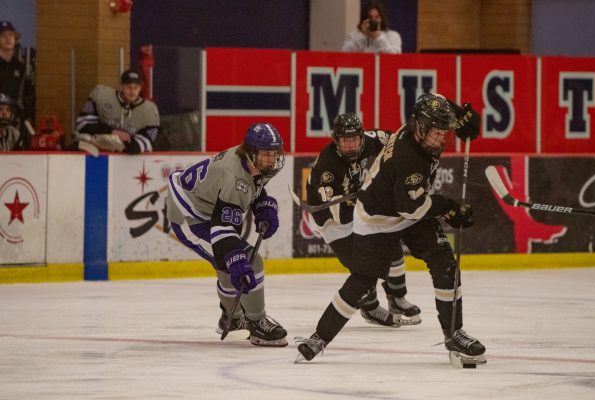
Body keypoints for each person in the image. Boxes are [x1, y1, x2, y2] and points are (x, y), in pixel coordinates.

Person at [296, 93, 485, 364]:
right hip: (377, 220)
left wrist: (462, 117)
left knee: (445, 262)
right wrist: (448, 207)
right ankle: (319, 337)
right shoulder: (409, 159)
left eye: (445, 132)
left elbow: (436, 99)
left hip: (405, 206)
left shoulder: (420, 127)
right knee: (363, 280)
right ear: (419, 127)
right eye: (436, 133)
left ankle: (454, 334)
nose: (441, 140)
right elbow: (412, 208)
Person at [165, 123, 288, 347]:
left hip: (205, 205)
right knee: (249, 260)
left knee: (229, 263)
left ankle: (231, 320)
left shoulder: (252, 162)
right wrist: (235, 257)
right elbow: (223, 228)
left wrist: (262, 205)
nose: (271, 159)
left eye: (274, 154)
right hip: (190, 215)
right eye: (266, 154)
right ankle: (257, 323)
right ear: (251, 152)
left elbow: (255, 185)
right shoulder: (235, 179)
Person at [305, 112, 421, 327]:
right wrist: (368, 200)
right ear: (336, 141)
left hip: (358, 204)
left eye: (354, 140)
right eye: (345, 141)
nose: (350, 145)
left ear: (361, 137)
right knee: (362, 266)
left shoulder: (370, 140)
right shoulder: (327, 167)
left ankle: (397, 299)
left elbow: (397, 141)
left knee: (390, 244)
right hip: (330, 217)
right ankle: (370, 308)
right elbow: (339, 213)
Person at [74, 69, 159, 154]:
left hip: (127, 159)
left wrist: (127, 145)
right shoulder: (101, 95)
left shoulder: (149, 110)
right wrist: (113, 132)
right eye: (128, 87)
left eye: (136, 87)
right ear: (121, 86)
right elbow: (82, 124)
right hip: (93, 152)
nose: (132, 91)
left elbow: (148, 140)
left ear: (140, 88)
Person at [0, 20, 34, 149]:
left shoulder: (20, 68)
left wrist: (26, 114)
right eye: (3, 35)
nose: (8, 39)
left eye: (11, 35)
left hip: (16, 122)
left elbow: (28, 93)